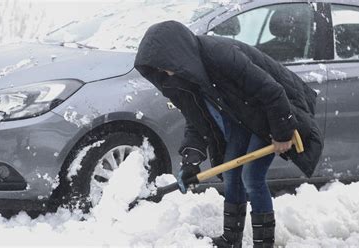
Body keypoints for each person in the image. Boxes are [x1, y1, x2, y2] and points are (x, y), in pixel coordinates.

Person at [134, 21, 323, 248]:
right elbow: (196, 121)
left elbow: (272, 91)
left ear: (177, 53)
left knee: (251, 177)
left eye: (165, 65)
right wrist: (191, 160)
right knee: (232, 174)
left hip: (268, 113)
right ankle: (231, 240)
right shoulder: (183, 77)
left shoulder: (219, 55)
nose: (164, 72)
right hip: (241, 118)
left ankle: (264, 244)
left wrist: (282, 133)